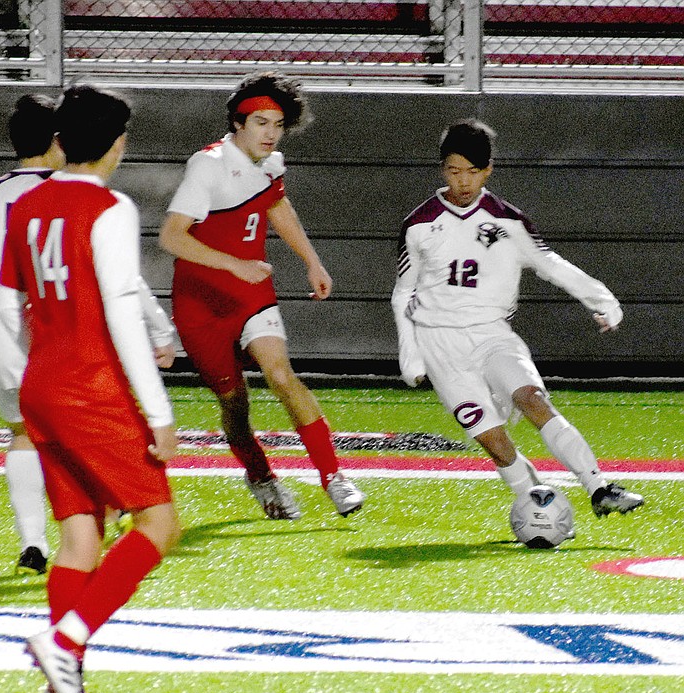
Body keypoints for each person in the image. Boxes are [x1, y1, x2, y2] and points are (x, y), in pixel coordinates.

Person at [0, 94, 178, 576]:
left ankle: (32, 544)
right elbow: (123, 292)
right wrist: (159, 338)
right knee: (144, 509)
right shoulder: (94, 201)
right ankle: (71, 629)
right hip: (83, 362)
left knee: (36, 458)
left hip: (16, 350)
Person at [0, 84, 180, 693]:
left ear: (59, 139)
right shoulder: (110, 207)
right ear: (117, 143)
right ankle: (65, 643)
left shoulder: (27, 204)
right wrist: (157, 410)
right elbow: (121, 313)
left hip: (41, 381)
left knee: (80, 536)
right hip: (88, 385)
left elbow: (11, 307)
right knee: (159, 524)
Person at [392, 119, 644, 519]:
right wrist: (410, 352)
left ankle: (599, 487)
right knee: (493, 438)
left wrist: (601, 298)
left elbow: (549, 264)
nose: (463, 182)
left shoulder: (509, 221)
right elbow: (404, 291)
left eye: (472, 172)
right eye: (454, 171)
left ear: (488, 170)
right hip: (440, 344)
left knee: (532, 398)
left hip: (494, 336)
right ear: (443, 169)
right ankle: (535, 506)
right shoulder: (418, 224)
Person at [159, 71, 365, 519]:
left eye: (277, 123)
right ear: (237, 123)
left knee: (281, 374)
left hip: (252, 294)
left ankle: (334, 477)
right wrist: (235, 265)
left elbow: (277, 206)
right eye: (260, 123)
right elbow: (172, 238)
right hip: (201, 304)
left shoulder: (272, 164)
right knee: (234, 403)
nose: (271, 132)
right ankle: (261, 477)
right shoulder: (208, 164)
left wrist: (312, 260)